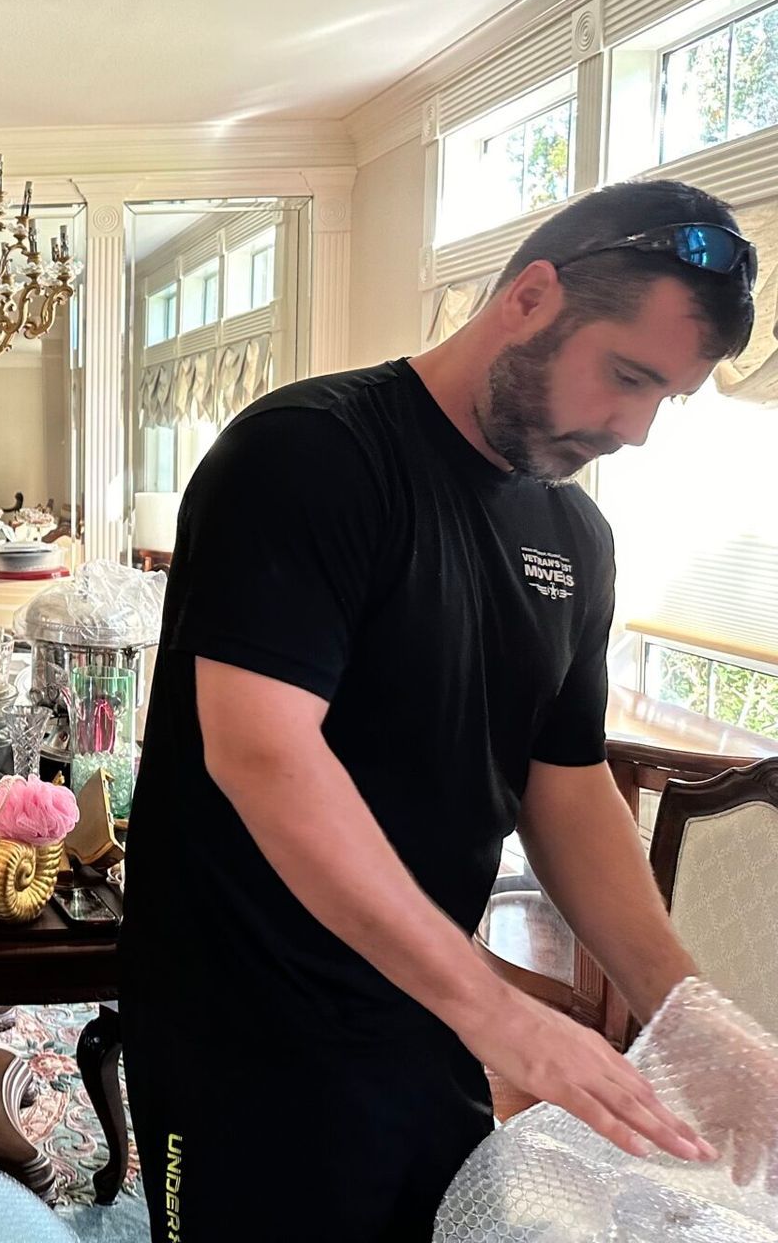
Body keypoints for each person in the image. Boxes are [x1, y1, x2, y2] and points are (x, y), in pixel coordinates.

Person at [124, 179, 767, 1242]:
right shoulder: (308, 454)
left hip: (424, 1010)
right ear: (531, 297)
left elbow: (565, 785)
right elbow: (261, 752)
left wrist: (687, 1013)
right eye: (627, 377)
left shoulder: (577, 540)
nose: (636, 430)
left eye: (667, 398)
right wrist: (500, 1011)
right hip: (242, 1026)